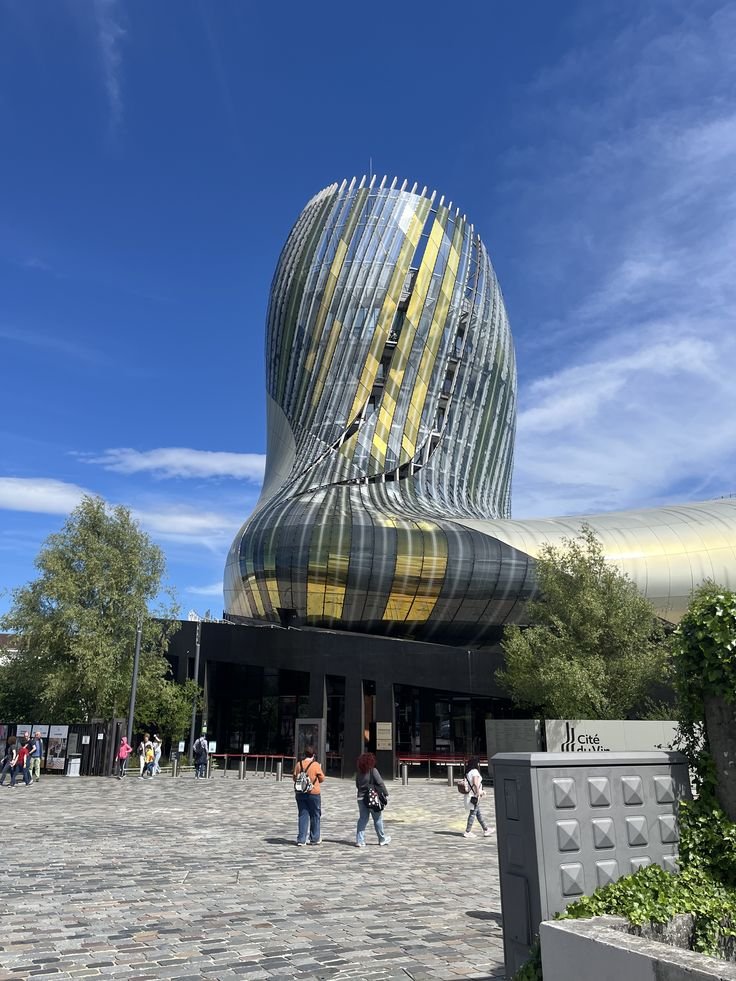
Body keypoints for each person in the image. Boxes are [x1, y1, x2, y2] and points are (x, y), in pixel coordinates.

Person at [355, 752, 391, 847]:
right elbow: (380, 783)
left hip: (361, 797)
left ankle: (360, 840)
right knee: (377, 818)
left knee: (362, 819)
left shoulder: (359, 772)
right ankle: (382, 838)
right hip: (372, 798)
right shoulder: (373, 771)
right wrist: (386, 793)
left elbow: (357, 785)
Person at [292, 744, 325, 845]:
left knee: (303, 814)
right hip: (313, 793)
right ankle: (314, 838)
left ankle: (301, 839)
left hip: (300, 793)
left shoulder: (299, 764)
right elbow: (322, 779)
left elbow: (294, 777)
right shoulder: (315, 765)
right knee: (315, 814)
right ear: (313, 755)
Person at [463, 756, 493, 838]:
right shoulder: (475, 772)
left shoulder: (468, 772)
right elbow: (476, 783)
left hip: (469, 795)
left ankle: (486, 829)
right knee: (473, 814)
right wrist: (478, 793)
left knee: (477, 813)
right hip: (474, 796)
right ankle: (467, 831)